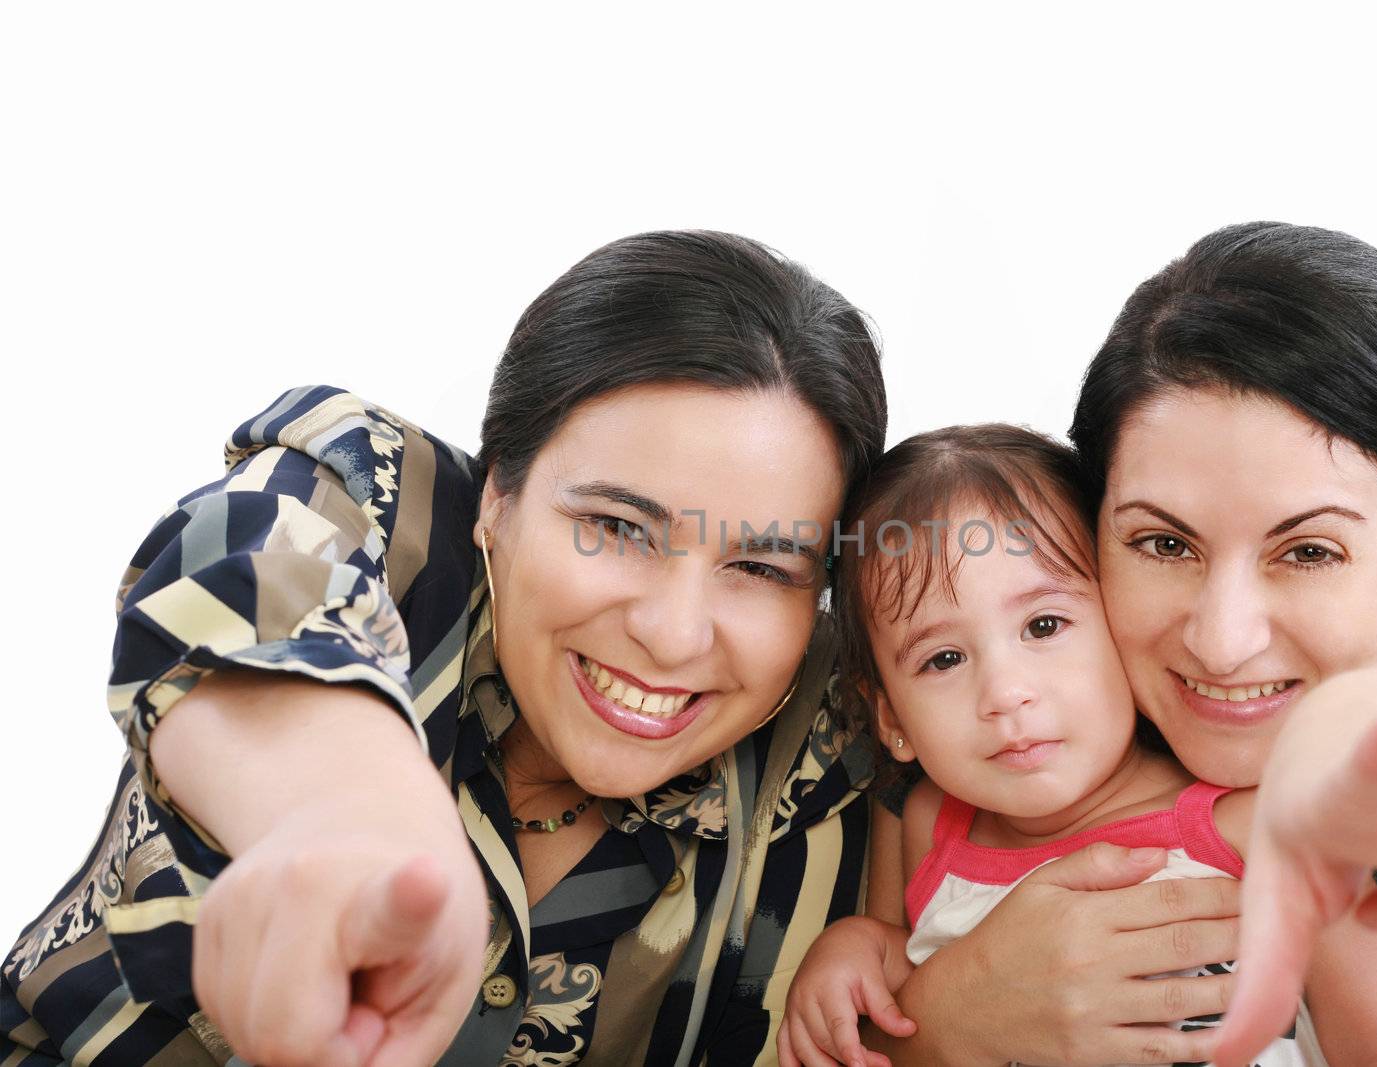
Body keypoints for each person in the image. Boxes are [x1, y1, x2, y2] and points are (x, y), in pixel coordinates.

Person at [0, 231, 889, 1065]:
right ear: (497, 491)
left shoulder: (863, 729)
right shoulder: (388, 510)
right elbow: (245, 572)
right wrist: (354, 821)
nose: (674, 632)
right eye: (617, 527)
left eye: (763, 567)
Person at [864, 223, 1377, 1066]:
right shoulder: (1033, 682)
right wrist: (946, 1018)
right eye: (1165, 545)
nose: (1222, 641)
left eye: (1309, 552)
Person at [778, 423, 1322, 1067]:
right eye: (944, 658)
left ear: (1123, 622)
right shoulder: (928, 824)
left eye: (1044, 625)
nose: (1006, 693)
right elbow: (918, 980)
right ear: (891, 715)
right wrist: (856, 947)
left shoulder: (1242, 822)